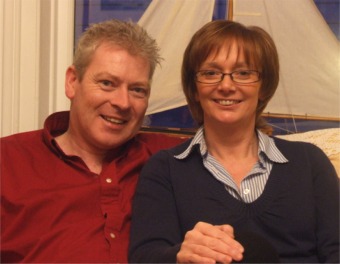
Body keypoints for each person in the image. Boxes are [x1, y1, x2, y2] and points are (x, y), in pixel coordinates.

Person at [129, 20, 339, 263]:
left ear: (263, 86)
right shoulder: (164, 169)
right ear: (194, 88)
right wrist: (179, 255)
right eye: (210, 73)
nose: (226, 85)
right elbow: (145, 257)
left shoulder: (310, 163)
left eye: (243, 73)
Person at [0, 19, 185, 263]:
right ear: (72, 82)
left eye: (137, 90)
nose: (122, 102)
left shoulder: (171, 159)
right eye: (107, 83)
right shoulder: (8, 161)